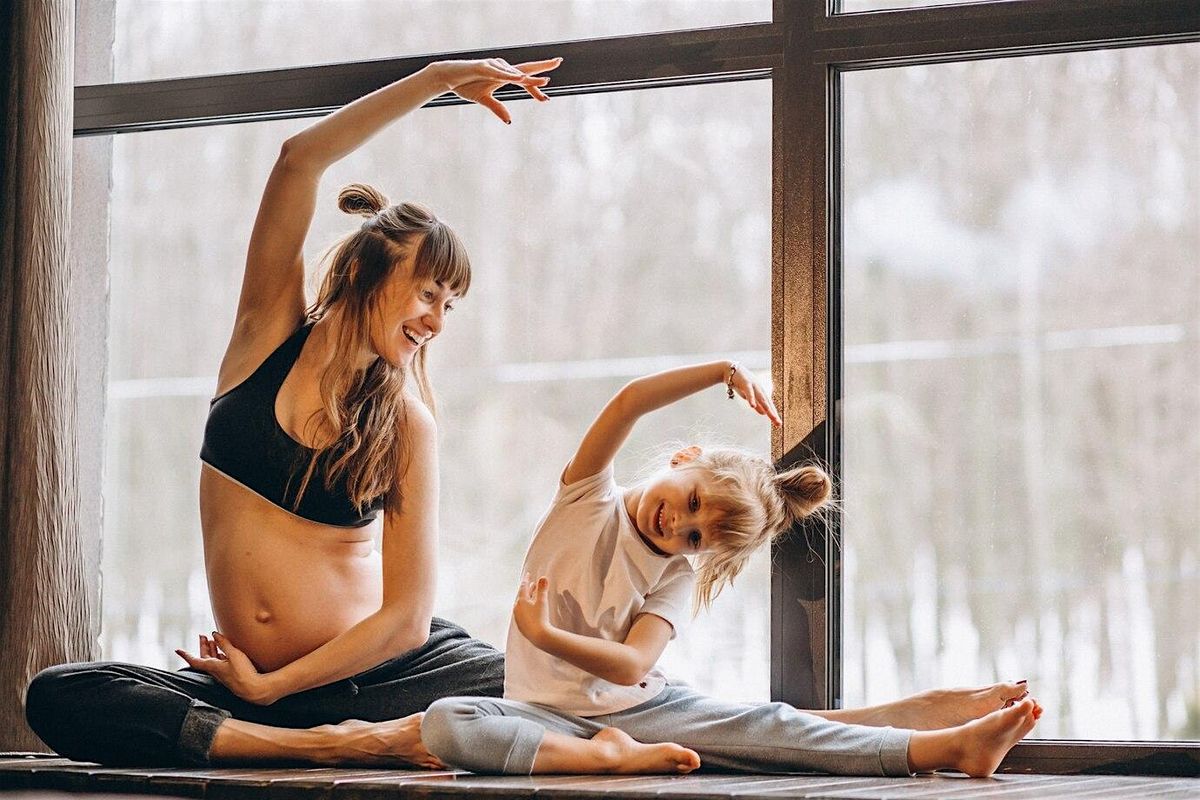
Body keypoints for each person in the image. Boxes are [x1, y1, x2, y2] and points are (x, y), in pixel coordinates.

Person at [24, 56, 562, 768]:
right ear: (375, 268)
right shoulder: (263, 337)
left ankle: (292, 739)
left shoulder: (406, 423)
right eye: (430, 293)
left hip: (374, 677)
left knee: (547, 692)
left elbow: (404, 623)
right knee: (60, 695)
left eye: (449, 306)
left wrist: (276, 685)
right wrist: (435, 81)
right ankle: (324, 746)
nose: (437, 321)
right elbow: (297, 161)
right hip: (256, 694)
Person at [420, 360, 1043, 777]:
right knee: (447, 724)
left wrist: (546, 636)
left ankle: (943, 742)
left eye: (696, 536)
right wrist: (721, 370)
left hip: (634, 713)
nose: (679, 526)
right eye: (691, 501)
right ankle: (607, 760)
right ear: (684, 459)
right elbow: (628, 402)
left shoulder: (673, 573)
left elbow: (635, 665)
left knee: (770, 732)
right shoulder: (586, 498)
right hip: (545, 720)